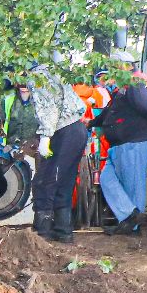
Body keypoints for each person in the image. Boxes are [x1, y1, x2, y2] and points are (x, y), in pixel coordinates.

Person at [92, 71, 147, 235]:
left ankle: (134, 228)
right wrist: (91, 123)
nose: (104, 79)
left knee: (133, 185)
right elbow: (108, 113)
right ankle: (130, 215)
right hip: (121, 144)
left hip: (135, 142)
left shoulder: (133, 84)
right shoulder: (120, 90)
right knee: (106, 178)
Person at [31, 68, 89, 243]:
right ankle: (63, 231)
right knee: (64, 182)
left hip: (64, 131)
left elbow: (47, 109)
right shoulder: (51, 72)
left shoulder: (37, 77)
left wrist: (45, 136)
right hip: (76, 129)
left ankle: (43, 233)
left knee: (45, 181)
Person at [0, 78, 39, 147]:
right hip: (12, 147)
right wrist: (2, 136)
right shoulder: (8, 101)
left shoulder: (39, 102)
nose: (24, 85)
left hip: (34, 147)